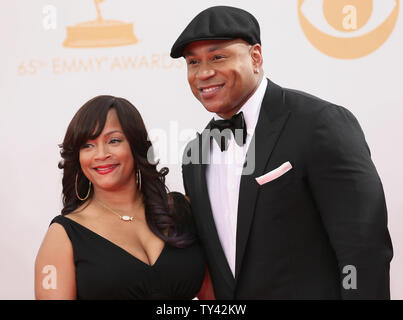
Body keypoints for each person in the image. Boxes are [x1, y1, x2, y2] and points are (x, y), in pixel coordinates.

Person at [170, 6, 393, 299]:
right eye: (193, 62)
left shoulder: (318, 123)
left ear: (255, 57)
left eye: (218, 57)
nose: (204, 73)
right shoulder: (194, 154)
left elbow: (364, 249)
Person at [35, 95, 214, 299]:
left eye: (114, 141)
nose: (101, 154)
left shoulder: (181, 210)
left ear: (135, 146)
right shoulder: (64, 235)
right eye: (87, 145)